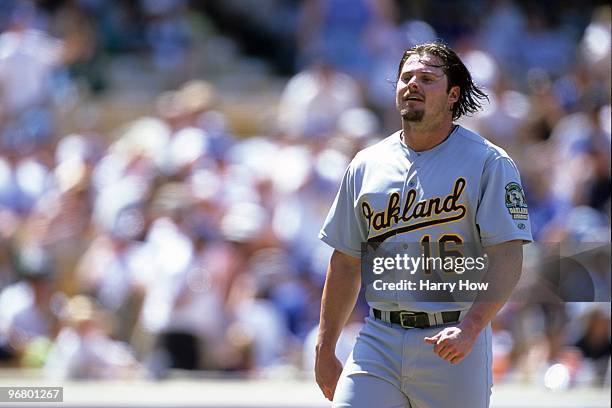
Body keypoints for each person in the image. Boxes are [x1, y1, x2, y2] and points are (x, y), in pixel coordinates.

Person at [315, 42, 533, 407]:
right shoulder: (367, 164)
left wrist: (472, 327)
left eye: (427, 78)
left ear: (452, 95)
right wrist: (325, 347)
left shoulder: (488, 162)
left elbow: (507, 256)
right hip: (379, 336)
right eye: (406, 77)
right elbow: (345, 261)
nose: (413, 84)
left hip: (453, 339)